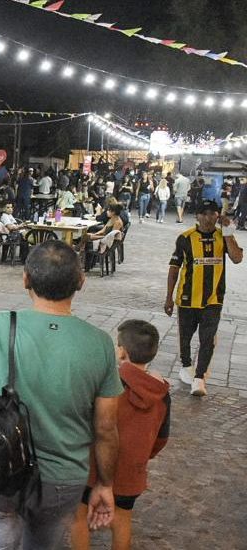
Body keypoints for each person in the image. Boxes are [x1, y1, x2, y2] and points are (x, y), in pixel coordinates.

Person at [0, 240, 122, 550]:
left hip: (0, 467)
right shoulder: (100, 344)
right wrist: (106, 484)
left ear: (25, 280)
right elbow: (106, 428)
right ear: (81, 282)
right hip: (63, 478)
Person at [70, 320, 171, 550]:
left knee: (79, 517)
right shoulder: (162, 394)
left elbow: (87, 421)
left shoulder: (108, 382)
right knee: (122, 520)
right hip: (132, 470)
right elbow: (162, 437)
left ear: (122, 351)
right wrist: (145, 454)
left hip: (94, 464)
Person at [166, 199, 244, 396]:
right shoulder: (185, 238)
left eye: (212, 213)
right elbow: (174, 269)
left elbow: (236, 258)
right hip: (187, 298)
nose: (208, 218)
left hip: (213, 299)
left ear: (218, 216)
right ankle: (185, 365)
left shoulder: (222, 237)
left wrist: (228, 233)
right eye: (204, 213)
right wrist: (168, 297)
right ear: (197, 216)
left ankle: (199, 378)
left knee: (207, 339)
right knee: (185, 337)